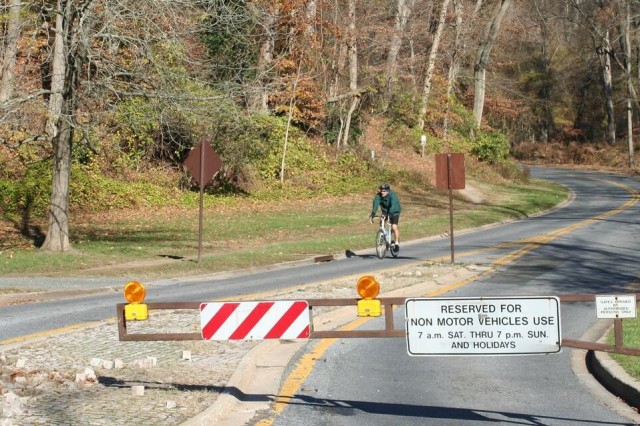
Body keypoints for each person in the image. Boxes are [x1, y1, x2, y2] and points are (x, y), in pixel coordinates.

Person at [369, 183, 401, 252]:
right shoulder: (379, 196)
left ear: (388, 191)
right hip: (385, 211)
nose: (382, 192)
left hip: (395, 211)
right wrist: (373, 213)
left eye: (384, 191)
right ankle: (383, 236)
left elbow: (394, 205)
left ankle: (397, 243)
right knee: (382, 222)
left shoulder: (393, 196)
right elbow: (376, 203)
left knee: (394, 227)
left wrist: (390, 213)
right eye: (381, 191)